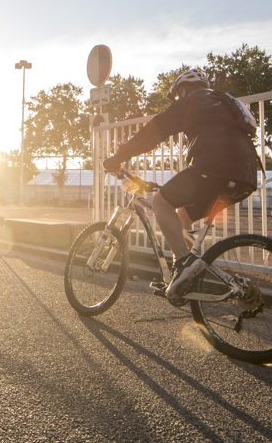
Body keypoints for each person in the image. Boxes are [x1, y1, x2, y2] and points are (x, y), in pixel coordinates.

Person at [102, 68, 260, 303]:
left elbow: (152, 133)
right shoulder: (224, 102)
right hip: (246, 175)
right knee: (182, 213)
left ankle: (184, 264)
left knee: (159, 202)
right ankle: (185, 275)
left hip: (213, 168)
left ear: (183, 90)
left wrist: (118, 156)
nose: (178, 99)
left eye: (178, 95)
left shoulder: (192, 102)